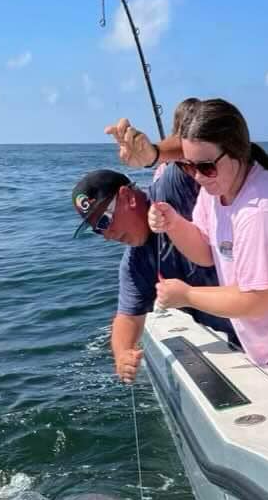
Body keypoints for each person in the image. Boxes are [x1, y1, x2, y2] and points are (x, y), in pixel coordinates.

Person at [107, 98, 268, 402]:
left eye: (205, 167)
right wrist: (173, 223)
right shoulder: (217, 188)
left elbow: (257, 300)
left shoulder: (262, 211)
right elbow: (207, 251)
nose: (196, 176)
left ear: (236, 151)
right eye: (187, 166)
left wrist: (187, 295)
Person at [72, 164, 236, 384]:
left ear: (128, 197)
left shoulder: (172, 187)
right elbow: (127, 317)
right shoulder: (134, 264)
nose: (107, 236)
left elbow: (199, 148)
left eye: (104, 221)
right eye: (97, 230)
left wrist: (156, 152)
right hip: (241, 340)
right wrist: (122, 354)